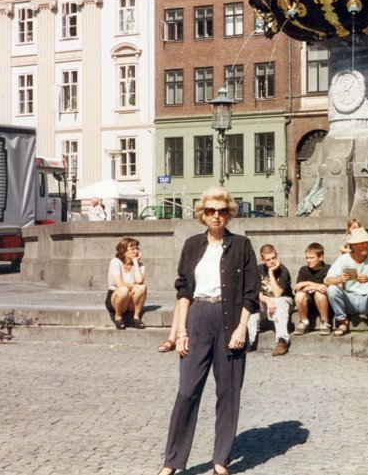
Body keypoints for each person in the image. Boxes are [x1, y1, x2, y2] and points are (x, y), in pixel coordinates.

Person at [157, 186, 260, 475]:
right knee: (187, 390)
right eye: (210, 211)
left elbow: (251, 292)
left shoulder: (241, 246)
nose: (216, 216)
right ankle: (171, 462)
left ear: (230, 214)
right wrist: (181, 331)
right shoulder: (192, 245)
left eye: (222, 211)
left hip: (231, 320)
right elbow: (183, 291)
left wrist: (242, 327)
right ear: (202, 214)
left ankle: (220, 460)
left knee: (228, 392)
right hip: (198, 317)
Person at [325, 227, 368, 337]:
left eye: (367, 242)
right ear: (353, 245)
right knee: (331, 289)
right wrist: (340, 279)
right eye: (362, 243)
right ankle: (343, 322)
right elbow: (328, 280)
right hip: (349, 300)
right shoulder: (343, 259)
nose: (366, 245)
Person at [246, 244, 294, 356]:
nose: (272, 261)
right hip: (266, 301)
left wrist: (271, 272)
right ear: (262, 260)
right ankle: (248, 342)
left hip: (284, 300)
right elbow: (256, 293)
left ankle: (282, 341)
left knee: (278, 302)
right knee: (252, 306)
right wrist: (268, 300)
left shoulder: (283, 270)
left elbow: (277, 294)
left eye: (274, 258)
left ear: (277, 255)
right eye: (268, 260)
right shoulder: (258, 270)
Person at [105, 237, 147, 330]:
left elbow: (140, 281)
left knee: (142, 287)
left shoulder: (140, 265)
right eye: (132, 249)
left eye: (137, 248)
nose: (136, 251)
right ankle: (118, 317)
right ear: (123, 251)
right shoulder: (115, 262)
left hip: (131, 299)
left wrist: (135, 262)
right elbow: (120, 284)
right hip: (116, 297)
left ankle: (136, 317)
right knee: (124, 290)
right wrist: (135, 286)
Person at [293, 242, 332, 336]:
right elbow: (298, 287)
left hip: (323, 301)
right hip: (308, 302)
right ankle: (304, 322)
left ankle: (325, 322)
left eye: (311, 258)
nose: (308, 260)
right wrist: (317, 286)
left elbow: (324, 288)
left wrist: (307, 283)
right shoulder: (303, 270)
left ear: (320, 257)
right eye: (307, 258)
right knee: (299, 295)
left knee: (319, 293)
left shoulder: (328, 269)